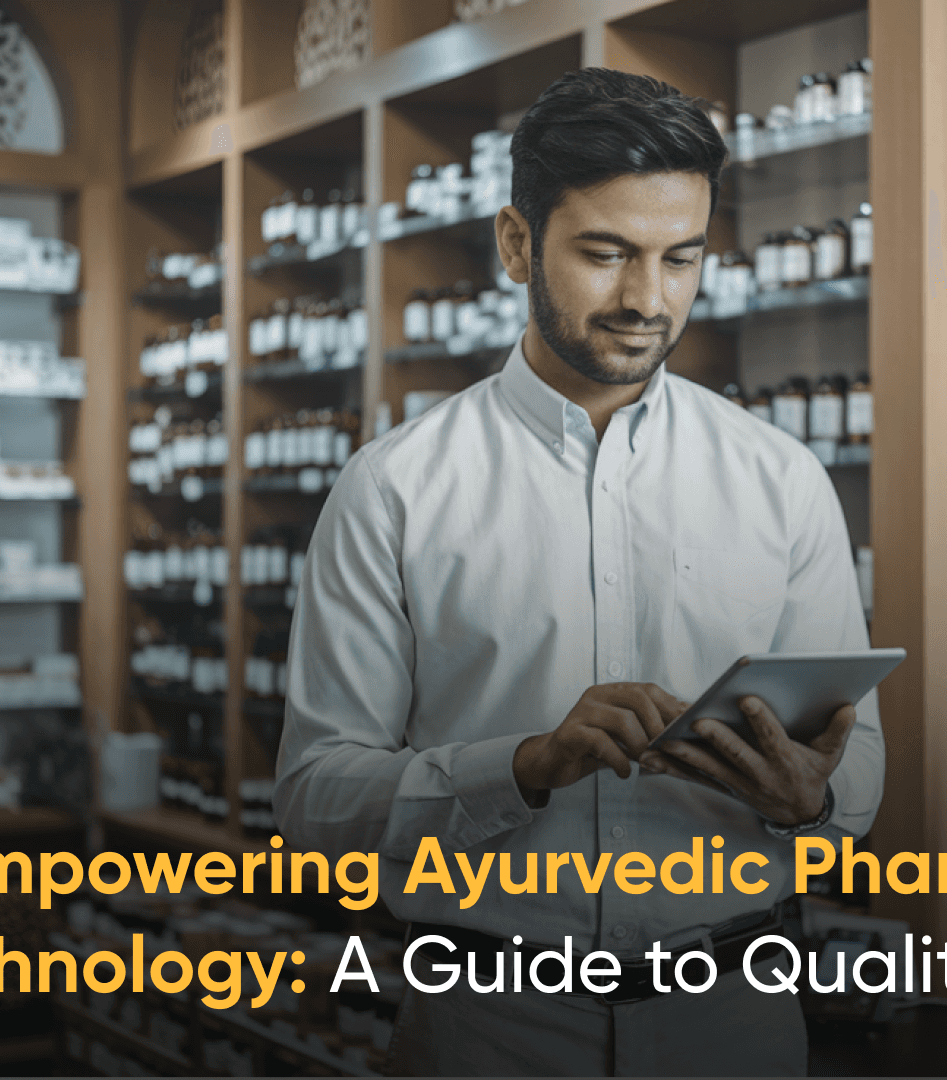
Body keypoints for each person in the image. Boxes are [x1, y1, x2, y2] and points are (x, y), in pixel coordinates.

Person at [273, 67, 884, 1076]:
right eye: (606, 254)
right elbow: (313, 801)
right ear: (518, 242)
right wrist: (522, 767)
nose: (648, 299)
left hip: (734, 1015)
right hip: (488, 1023)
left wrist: (809, 799)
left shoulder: (781, 478)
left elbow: (858, 768)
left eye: (680, 258)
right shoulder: (397, 488)